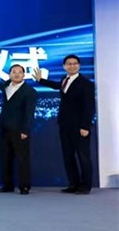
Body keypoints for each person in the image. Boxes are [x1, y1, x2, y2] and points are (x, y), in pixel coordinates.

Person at [34, 54, 95, 194]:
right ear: (64, 66)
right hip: (65, 124)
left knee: (83, 156)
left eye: (74, 63)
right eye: (69, 64)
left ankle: (85, 186)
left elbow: (89, 107)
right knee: (68, 156)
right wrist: (40, 80)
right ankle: (74, 184)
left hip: (79, 127)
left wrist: (85, 126)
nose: (72, 66)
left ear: (79, 66)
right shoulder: (64, 80)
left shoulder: (86, 84)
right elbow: (57, 86)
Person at [0, 65, 37, 195]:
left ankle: (24, 186)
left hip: (20, 130)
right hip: (5, 128)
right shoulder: (6, 86)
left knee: (22, 159)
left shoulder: (30, 91)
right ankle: (7, 185)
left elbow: (29, 113)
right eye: (14, 72)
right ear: (9, 74)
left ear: (24, 75)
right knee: (6, 158)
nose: (16, 74)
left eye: (20, 72)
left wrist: (25, 130)